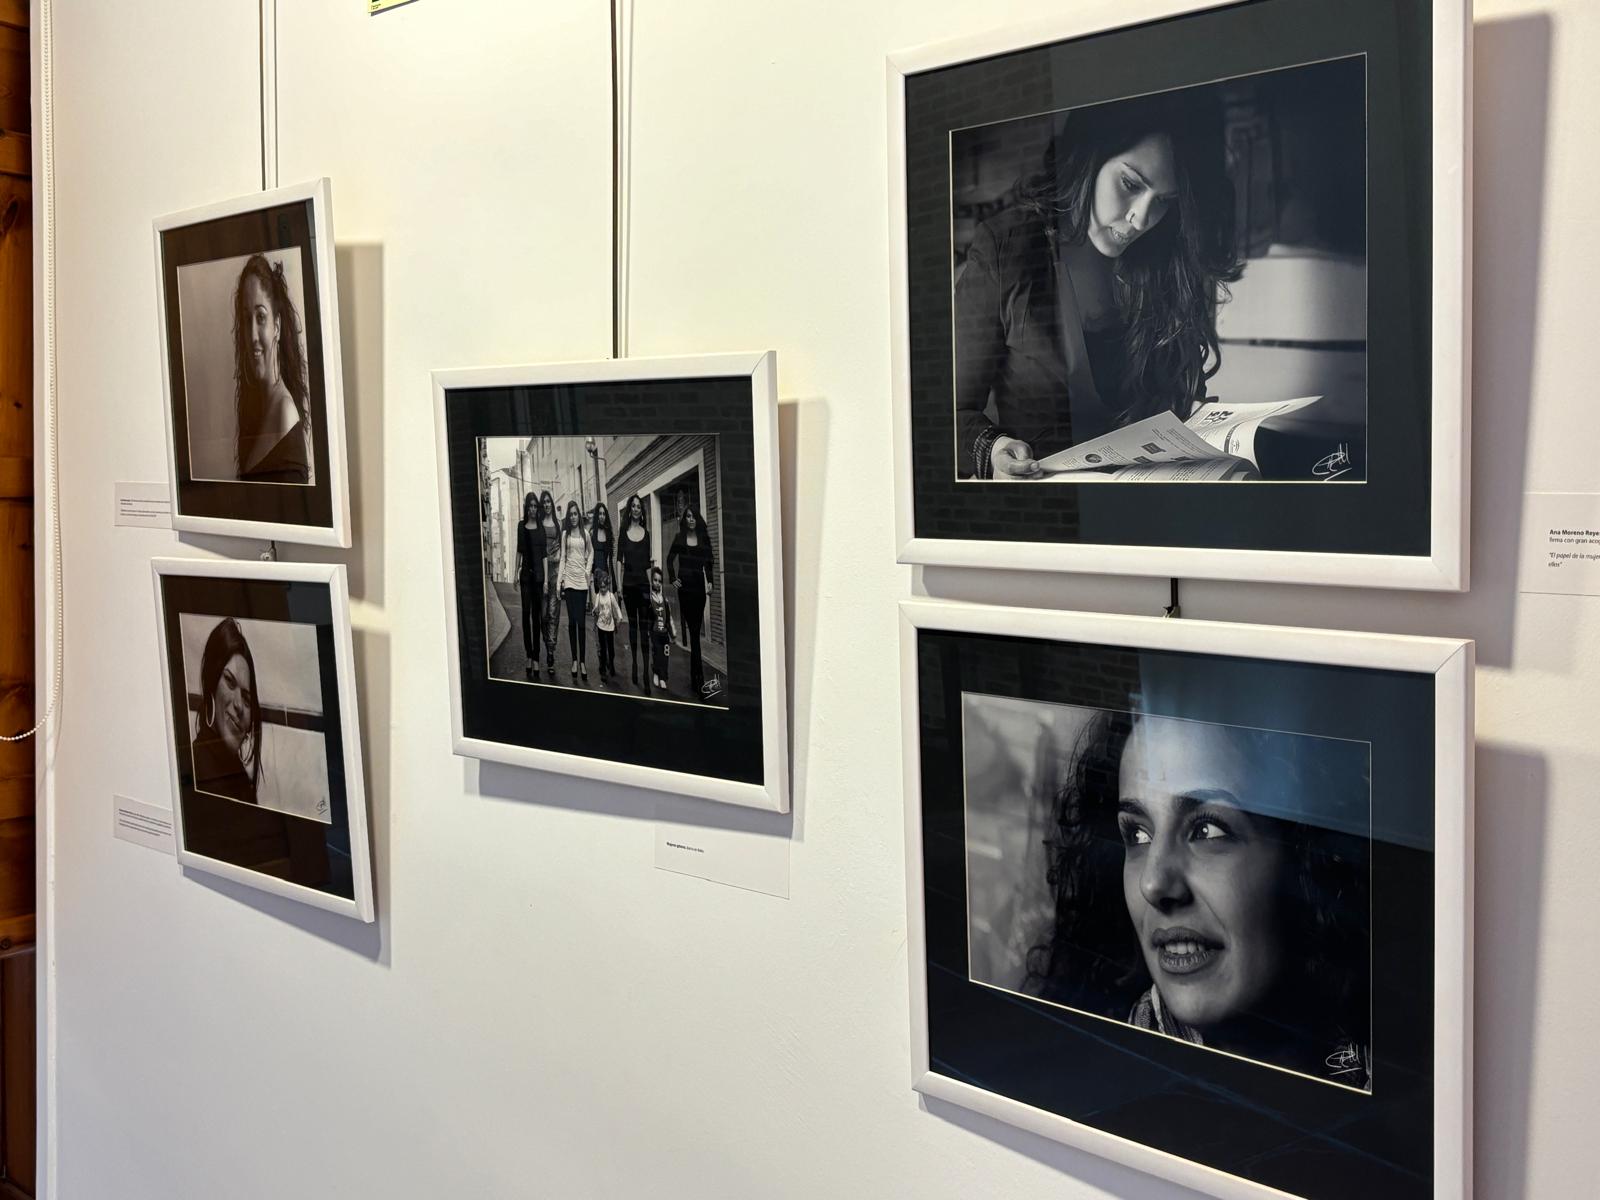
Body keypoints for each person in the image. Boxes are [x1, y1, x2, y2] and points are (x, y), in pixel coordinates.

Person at [1027, 708, 1371, 1088]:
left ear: (1308, 859)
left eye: (1207, 830)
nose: (1153, 883)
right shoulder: (1088, 1081)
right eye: (1137, 835)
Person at [954, 92, 1243, 479]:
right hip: (1049, 510)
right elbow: (949, 413)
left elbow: (1174, 407)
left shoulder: (1165, 262)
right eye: (1129, 184)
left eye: (1164, 201)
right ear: (1089, 158)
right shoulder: (1006, 246)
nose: (1140, 219)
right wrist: (992, 450)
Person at [232, 253, 315, 484]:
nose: (252, 336)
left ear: (276, 326)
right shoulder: (256, 409)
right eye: (246, 318)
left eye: (260, 317)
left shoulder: (284, 414)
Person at [189, 617, 263, 804]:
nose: (239, 704)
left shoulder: (240, 780)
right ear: (212, 684)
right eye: (229, 682)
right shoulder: (192, 768)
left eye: (247, 698)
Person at [665, 504, 716, 694]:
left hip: (699, 590)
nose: (691, 519)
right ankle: (698, 678)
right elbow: (670, 559)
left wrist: (710, 582)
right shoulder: (680, 538)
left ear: (697, 518)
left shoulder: (703, 539)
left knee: (695, 633)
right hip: (685, 590)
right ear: (684, 519)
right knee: (694, 633)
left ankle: (697, 677)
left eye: (693, 516)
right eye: (688, 516)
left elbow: (709, 562)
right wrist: (673, 579)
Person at [512, 491, 554, 679]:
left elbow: (545, 555)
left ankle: (536, 657)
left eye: (534, 506)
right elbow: (519, 552)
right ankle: (528, 654)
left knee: (537, 618)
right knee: (525, 615)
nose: (532, 509)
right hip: (525, 578)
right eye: (530, 506)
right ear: (526, 508)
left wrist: (545, 580)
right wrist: (514, 573)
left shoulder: (540, 529)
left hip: (538, 579)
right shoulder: (522, 526)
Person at [617, 494, 654, 689]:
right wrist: (619, 586)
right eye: (634, 506)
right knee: (632, 627)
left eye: (639, 506)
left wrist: (654, 589)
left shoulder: (646, 534)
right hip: (629, 587)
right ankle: (634, 663)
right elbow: (619, 559)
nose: (637, 508)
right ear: (630, 509)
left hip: (644, 587)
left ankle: (646, 673)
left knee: (645, 629)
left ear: (642, 510)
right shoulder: (623, 532)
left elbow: (648, 564)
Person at [556, 499, 594, 681]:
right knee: (572, 622)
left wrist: (587, 571)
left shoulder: (586, 534)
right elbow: (563, 558)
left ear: (579, 515)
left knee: (581, 623)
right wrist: (559, 583)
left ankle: (583, 662)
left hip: (582, 583)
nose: (572, 517)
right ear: (568, 516)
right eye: (570, 514)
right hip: (570, 582)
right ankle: (573, 660)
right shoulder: (565, 536)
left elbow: (591, 553)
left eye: (575, 513)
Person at [535, 490, 561, 678]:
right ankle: (547, 642)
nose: (546, 504)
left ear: (551, 503)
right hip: (541, 573)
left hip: (554, 574)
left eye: (548, 501)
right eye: (543, 502)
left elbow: (561, 549)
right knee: (543, 615)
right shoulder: (538, 524)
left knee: (553, 613)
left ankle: (550, 652)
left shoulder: (557, 525)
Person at [645, 566, 675, 693]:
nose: (657, 583)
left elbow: (669, 619)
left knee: (665, 655)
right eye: (655, 580)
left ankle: (663, 677)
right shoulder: (650, 599)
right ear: (652, 581)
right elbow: (648, 617)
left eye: (659, 581)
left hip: (664, 634)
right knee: (657, 654)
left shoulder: (665, 600)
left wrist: (673, 634)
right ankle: (656, 674)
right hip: (655, 632)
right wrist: (647, 630)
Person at [592, 570, 622, 684]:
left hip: (610, 627)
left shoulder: (610, 596)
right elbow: (596, 607)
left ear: (608, 585)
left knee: (611, 648)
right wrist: (594, 610)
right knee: (603, 649)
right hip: (601, 626)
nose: (603, 589)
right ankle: (603, 669)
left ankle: (612, 664)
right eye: (601, 587)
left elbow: (617, 608)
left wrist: (619, 618)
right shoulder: (599, 596)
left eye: (604, 587)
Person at [589, 502, 614, 611]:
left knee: (607, 608)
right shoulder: (592, 533)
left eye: (604, 514)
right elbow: (589, 556)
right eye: (600, 514)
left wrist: (611, 578)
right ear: (596, 515)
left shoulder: (608, 533)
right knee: (598, 609)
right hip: (595, 575)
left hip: (606, 574)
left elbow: (610, 558)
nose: (602, 516)